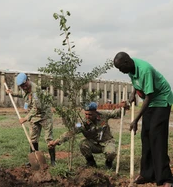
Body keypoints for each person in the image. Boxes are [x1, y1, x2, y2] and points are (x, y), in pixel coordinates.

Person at [114, 52, 173, 186]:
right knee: (145, 135)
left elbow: (149, 96)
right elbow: (136, 82)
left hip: (161, 100)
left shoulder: (145, 70)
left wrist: (135, 120)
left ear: (126, 62)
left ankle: (165, 178)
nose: (120, 71)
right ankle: (147, 174)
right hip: (151, 101)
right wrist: (133, 94)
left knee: (156, 136)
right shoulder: (130, 69)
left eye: (120, 68)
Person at [49, 102, 125, 169]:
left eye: (90, 114)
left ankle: (108, 163)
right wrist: (57, 141)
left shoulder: (103, 114)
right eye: (86, 114)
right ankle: (91, 162)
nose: (87, 116)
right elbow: (71, 132)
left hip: (107, 142)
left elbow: (117, 113)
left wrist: (123, 107)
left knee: (111, 153)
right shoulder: (82, 123)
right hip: (93, 145)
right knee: (83, 144)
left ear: (95, 112)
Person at [6, 73, 56, 166]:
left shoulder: (36, 91)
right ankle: (35, 159)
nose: (23, 87)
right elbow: (22, 94)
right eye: (21, 86)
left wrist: (25, 118)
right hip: (34, 117)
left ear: (28, 80)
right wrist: (12, 93)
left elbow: (37, 108)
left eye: (24, 85)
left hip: (44, 115)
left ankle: (53, 161)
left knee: (48, 138)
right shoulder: (24, 89)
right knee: (33, 138)